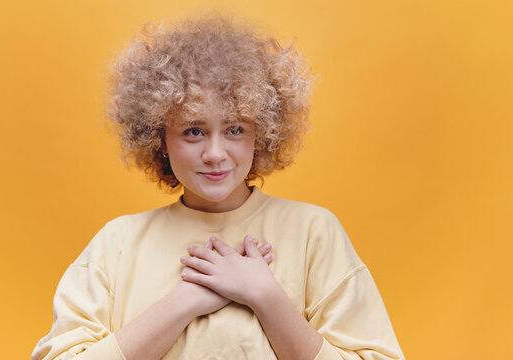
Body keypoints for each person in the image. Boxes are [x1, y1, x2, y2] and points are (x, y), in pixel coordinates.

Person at [31, 14, 404, 360]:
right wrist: (185, 301)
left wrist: (266, 297)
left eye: (235, 130)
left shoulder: (313, 232)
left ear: (262, 134)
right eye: (193, 131)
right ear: (160, 137)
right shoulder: (118, 242)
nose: (214, 153)